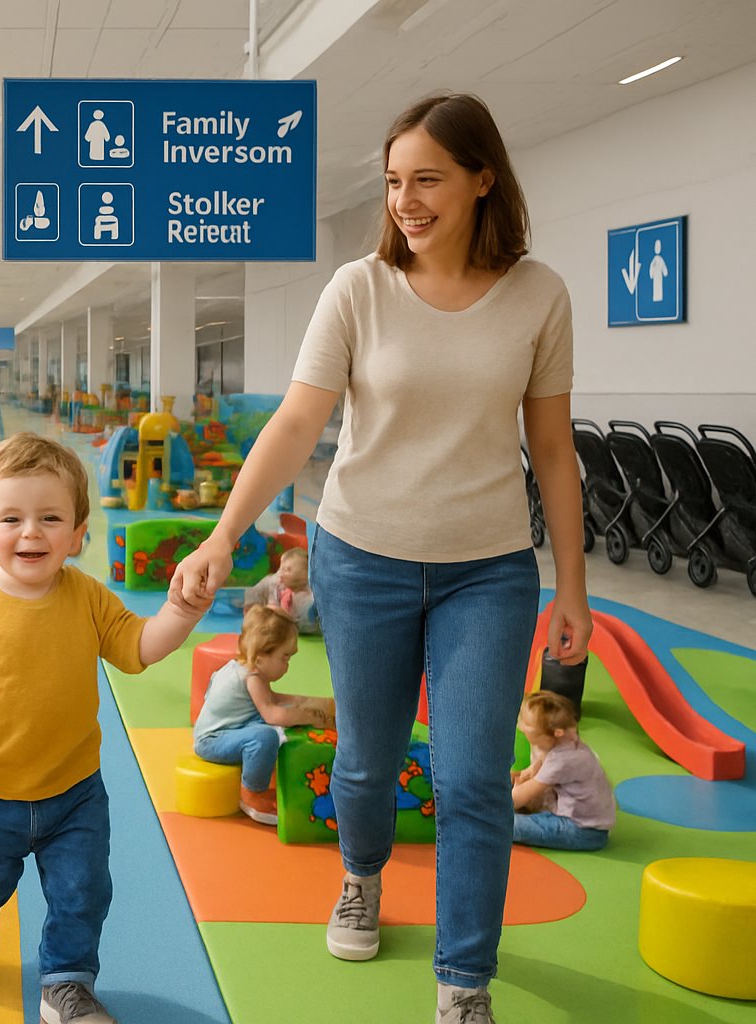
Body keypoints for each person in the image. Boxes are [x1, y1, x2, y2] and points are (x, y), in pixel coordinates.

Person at [166, 92, 591, 1024]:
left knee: (472, 778)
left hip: (489, 569)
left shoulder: (539, 295)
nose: (406, 201)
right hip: (363, 559)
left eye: (427, 179)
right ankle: (360, 877)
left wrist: (573, 584)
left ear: (484, 180)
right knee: (365, 759)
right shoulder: (358, 289)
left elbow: (554, 450)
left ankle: (464, 980)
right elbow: (295, 423)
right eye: (395, 181)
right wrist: (223, 533)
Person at [0, 432, 209, 1024]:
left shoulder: (87, 597)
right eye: (11, 518)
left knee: (82, 894)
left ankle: (66, 982)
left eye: (50, 518)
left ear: (78, 534)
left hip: (74, 792)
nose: (31, 532)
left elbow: (137, 648)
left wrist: (181, 612)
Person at [193, 603, 335, 824]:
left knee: (276, 723)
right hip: (212, 741)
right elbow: (273, 714)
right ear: (260, 656)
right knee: (266, 735)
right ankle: (252, 794)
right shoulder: (252, 677)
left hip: (230, 729)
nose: (287, 666)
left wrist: (311, 704)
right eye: (285, 657)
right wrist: (308, 716)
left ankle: (265, 774)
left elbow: (274, 700)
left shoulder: (243, 667)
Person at [511, 691, 614, 850]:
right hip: (579, 818)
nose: (520, 726)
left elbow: (518, 798)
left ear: (556, 732)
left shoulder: (563, 759)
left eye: (526, 724)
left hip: (582, 831)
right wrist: (531, 770)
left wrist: (506, 796)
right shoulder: (565, 740)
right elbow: (542, 760)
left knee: (504, 824)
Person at [245, 546, 317, 631]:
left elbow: (310, 623)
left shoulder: (308, 595)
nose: (281, 573)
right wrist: (251, 606)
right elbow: (256, 590)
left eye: (288, 569)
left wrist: (290, 619)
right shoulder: (276, 583)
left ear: (306, 574)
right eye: (281, 568)